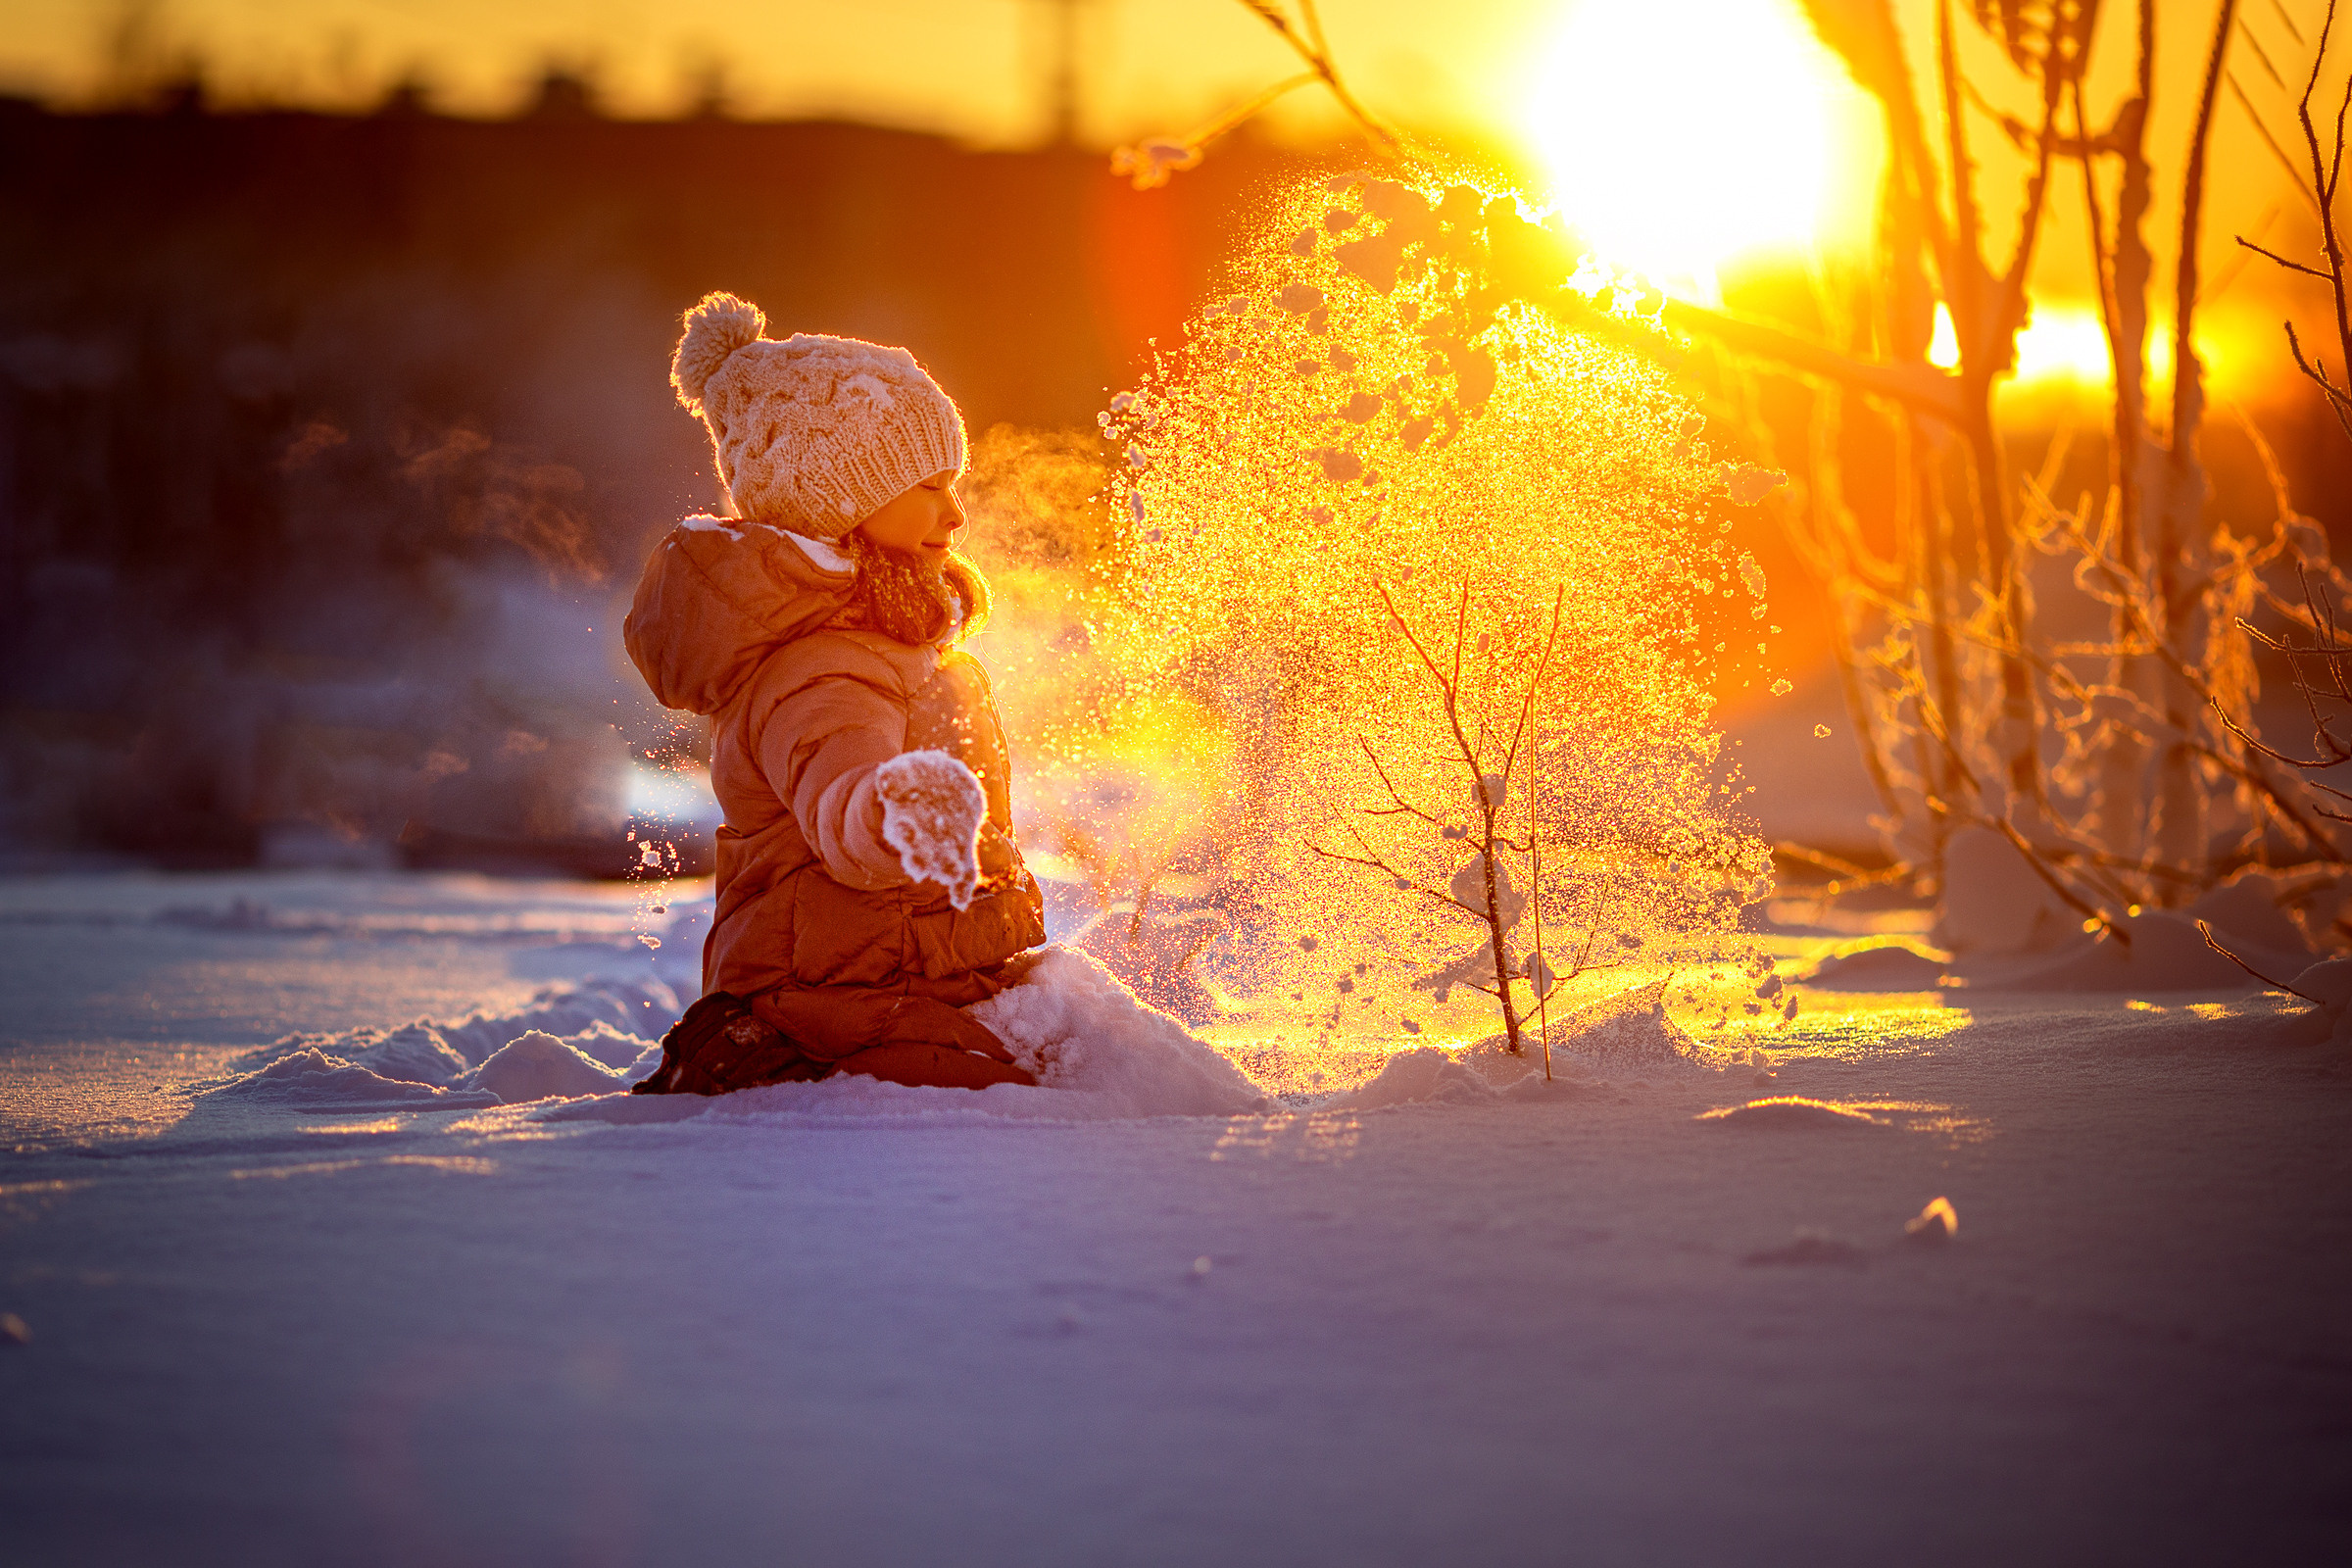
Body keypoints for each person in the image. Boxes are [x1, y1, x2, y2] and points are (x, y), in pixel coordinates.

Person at [623, 292, 1045, 1094]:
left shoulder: (879, 640)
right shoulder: (823, 665)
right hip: (833, 1015)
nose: (955, 513)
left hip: (900, 983)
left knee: (1098, 1052)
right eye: (928, 485)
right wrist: (894, 810)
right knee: (1070, 1096)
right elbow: (843, 802)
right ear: (838, 499)